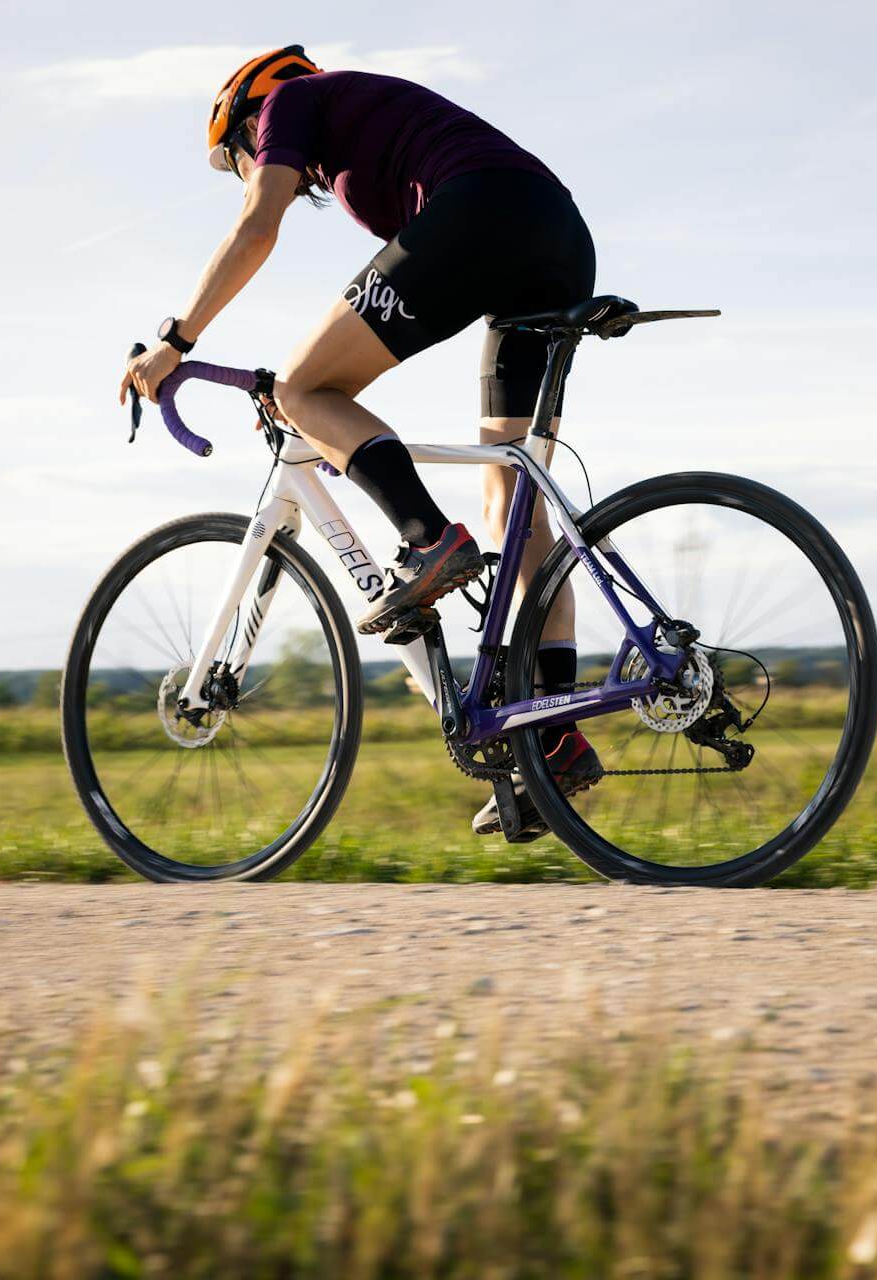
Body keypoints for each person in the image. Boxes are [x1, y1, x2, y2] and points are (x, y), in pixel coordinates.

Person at [119, 45, 602, 836]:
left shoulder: (290, 102)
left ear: (248, 119)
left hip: (482, 213)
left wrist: (175, 341)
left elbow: (256, 228)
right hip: (553, 235)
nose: (251, 169)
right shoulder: (360, 130)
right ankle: (553, 734)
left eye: (239, 158)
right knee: (512, 500)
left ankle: (428, 540)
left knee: (302, 389)